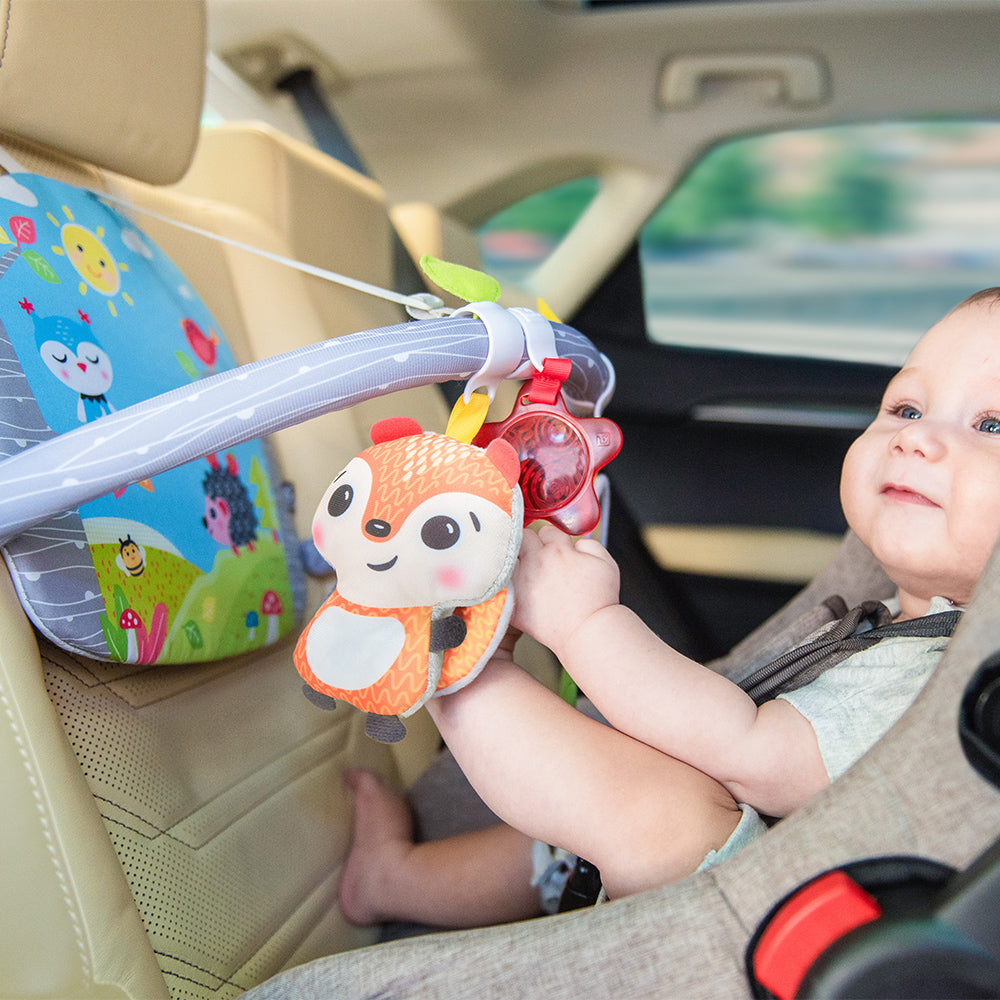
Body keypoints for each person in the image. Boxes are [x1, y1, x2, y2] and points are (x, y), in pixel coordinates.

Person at [337, 287, 1000, 930]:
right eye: (905, 409)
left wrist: (583, 625)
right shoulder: (905, 622)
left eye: (992, 424)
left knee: (663, 813)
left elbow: (755, 754)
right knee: (620, 784)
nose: (916, 439)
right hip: (728, 862)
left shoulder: (955, 686)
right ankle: (392, 879)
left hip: (758, 920)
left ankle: (455, 657)